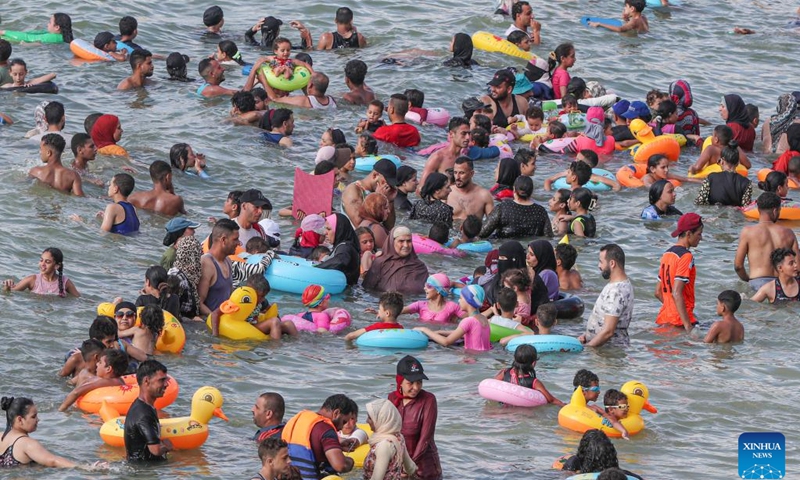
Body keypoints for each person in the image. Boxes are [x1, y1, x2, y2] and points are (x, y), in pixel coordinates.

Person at [0, 396, 99, 469]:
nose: (38, 420)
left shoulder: (1, 436)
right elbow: (52, 461)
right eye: (33, 416)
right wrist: (86, 467)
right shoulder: (26, 443)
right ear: (20, 420)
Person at [388, 356, 441, 480]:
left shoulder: (428, 400)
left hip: (425, 470)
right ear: (399, 381)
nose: (416, 387)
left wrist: (409, 465)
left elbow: (425, 438)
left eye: (419, 382)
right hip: (399, 466)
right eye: (410, 383)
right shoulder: (392, 399)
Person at [281, 394, 356, 480]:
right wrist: (350, 461)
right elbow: (340, 466)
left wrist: (338, 445)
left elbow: (309, 445)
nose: (341, 428)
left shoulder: (297, 419)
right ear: (336, 413)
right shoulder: (326, 429)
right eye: (344, 421)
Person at [734, 192, 800, 289]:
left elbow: (738, 266)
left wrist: (748, 280)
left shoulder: (748, 232)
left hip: (758, 283)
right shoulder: (788, 233)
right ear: (775, 211)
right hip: (782, 286)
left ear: (758, 209)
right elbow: (797, 266)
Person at [578, 244, 634, 347]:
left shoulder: (616, 291)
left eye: (601, 262)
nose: (599, 266)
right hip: (603, 347)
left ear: (612, 263)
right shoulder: (622, 284)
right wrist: (587, 335)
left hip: (608, 352)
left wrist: (587, 348)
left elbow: (608, 331)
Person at [655, 213, 703, 332]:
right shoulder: (686, 256)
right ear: (688, 234)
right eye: (699, 234)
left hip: (664, 319)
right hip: (679, 322)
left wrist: (671, 308)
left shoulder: (667, 254)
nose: (701, 238)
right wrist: (688, 327)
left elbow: (657, 292)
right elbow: (676, 292)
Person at [415, 285, 490, 351]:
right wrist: (440, 332)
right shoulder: (483, 318)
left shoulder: (468, 321)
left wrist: (424, 329)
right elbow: (465, 334)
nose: (458, 300)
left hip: (470, 360)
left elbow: (446, 342)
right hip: (480, 359)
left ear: (469, 301)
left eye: (461, 298)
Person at [125, 360, 173, 462]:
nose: (166, 384)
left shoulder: (141, 406)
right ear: (146, 381)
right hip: (144, 471)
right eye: (161, 380)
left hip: (140, 467)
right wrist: (167, 446)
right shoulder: (144, 414)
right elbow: (155, 450)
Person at [480, 176, 552, 239]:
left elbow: (483, 233)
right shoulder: (541, 211)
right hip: (529, 250)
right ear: (531, 191)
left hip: (505, 249)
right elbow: (548, 236)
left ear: (514, 190)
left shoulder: (502, 207)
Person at [363, 399, 417, 480]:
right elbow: (411, 468)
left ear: (381, 419)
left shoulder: (384, 446)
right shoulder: (398, 438)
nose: (367, 421)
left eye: (370, 418)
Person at [364, 226, 428, 294]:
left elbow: (427, 293)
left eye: (409, 241)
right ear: (392, 242)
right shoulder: (380, 264)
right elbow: (367, 290)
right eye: (401, 241)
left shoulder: (420, 267)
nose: (406, 245)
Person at [58, 349, 128, 411]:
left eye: (100, 362)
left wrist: (61, 410)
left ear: (108, 369)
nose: (97, 364)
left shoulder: (106, 382)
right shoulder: (120, 380)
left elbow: (76, 392)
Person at [495, 344, 564, 405]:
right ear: (533, 363)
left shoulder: (504, 372)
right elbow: (551, 400)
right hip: (524, 413)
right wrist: (564, 405)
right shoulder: (534, 382)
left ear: (514, 358)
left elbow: (493, 385)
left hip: (503, 408)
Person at [559, 430, 642, 477]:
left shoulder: (574, 461)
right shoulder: (625, 475)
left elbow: (565, 476)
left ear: (582, 450)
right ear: (611, 452)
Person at [198, 219, 239, 315]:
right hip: (210, 323)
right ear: (223, 240)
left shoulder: (228, 261)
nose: (239, 243)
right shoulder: (206, 263)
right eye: (235, 239)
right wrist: (216, 321)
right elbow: (199, 303)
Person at [3, 247, 79, 297]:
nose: (42, 264)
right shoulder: (32, 280)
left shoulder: (65, 282)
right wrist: (7, 286)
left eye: (47, 262)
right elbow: (10, 293)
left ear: (56, 266)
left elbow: (79, 299)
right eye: (41, 260)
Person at [342, 158, 397, 227]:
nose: (388, 186)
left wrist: (390, 201)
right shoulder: (353, 190)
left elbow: (389, 226)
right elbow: (360, 225)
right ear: (375, 175)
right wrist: (377, 198)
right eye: (385, 182)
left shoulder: (380, 192)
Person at [694, 142, 752, 207]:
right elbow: (746, 208)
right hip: (734, 215)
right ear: (738, 162)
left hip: (714, 214)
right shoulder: (746, 183)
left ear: (722, 161)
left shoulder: (710, 178)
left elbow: (700, 202)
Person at [421, 117, 471, 185]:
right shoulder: (438, 157)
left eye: (469, 133)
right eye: (463, 133)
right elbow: (421, 188)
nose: (468, 137)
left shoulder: (464, 159)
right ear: (451, 134)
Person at [317, 213, 362, 286]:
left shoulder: (345, 248)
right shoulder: (344, 246)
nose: (325, 233)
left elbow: (340, 260)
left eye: (329, 229)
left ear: (339, 229)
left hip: (345, 293)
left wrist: (316, 269)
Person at [447, 157, 494, 221]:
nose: (457, 177)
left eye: (461, 173)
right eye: (455, 172)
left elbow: (492, 223)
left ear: (472, 173)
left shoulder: (484, 196)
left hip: (475, 230)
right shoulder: (447, 193)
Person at [0, 13, 74, 44]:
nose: (48, 24)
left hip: (44, 47)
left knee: (24, 43)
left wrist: (4, 32)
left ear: (57, 27)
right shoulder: (62, 35)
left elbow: (28, 38)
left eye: (50, 22)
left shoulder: (53, 37)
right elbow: (33, 33)